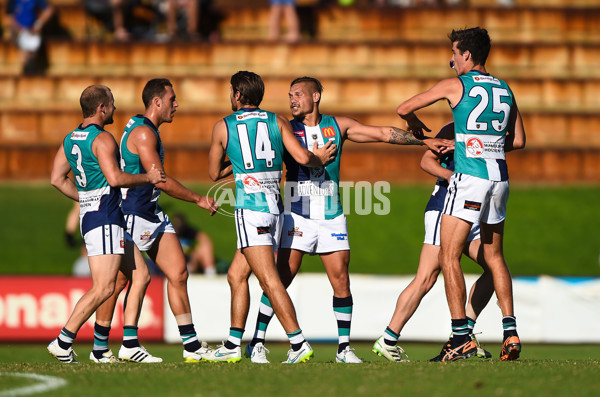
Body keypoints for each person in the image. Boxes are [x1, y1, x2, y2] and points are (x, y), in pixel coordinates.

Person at [239, 76, 452, 364]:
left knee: (341, 280)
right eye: (290, 95)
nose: (292, 100)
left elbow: (381, 133)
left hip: (331, 215)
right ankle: (258, 341)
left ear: (315, 97)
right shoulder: (285, 128)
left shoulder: (338, 126)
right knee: (281, 278)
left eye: (298, 94)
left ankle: (343, 349)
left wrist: (423, 140)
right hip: (297, 214)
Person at [396, 27, 526, 361]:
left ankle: (460, 336)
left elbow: (404, 107)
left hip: (470, 178)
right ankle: (510, 331)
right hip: (501, 179)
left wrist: (413, 124)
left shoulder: (456, 84)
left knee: (448, 255)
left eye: (454, 53)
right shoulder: (505, 87)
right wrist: (484, 143)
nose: (451, 59)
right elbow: (520, 140)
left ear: (466, 54)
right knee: (494, 257)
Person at [205, 70, 337, 364]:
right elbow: (303, 158)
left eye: (231, 91)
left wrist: (237, 160)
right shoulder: (276, 121)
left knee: (269, 280)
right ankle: (232, 344)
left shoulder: (223, 127)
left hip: (250, 210)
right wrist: (321, 159)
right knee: (236, 275)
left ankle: (298, 342)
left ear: (238, 95)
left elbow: (214, 173)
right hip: (276, 209)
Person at [97, 78, 219, 363]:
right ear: (157, 102)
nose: (176, 105)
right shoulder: (143, 134)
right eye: (172, 99)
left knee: (178, 273)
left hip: (151, 212)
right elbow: (160, 180)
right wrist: (198, 198)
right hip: (132, 214)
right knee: (121, 280)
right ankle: (103, 347)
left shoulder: (145, 128)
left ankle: (191, 346)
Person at [47, 85, 165, 363]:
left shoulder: (70, 139)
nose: (115, 108)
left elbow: (56, 178)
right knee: (103, 287)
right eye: (111, 104)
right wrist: (149, 177)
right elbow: (115, 178)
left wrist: (85, 198)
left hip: (95, 216)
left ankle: (117, 347)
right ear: (101, 108)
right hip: (107, 218)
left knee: (142, 275)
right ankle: (63, 340)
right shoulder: (103, 139)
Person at [372, 121, 494, 362]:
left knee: (495, 268)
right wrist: (453, 177)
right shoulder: (454, 126)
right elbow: (426, 161)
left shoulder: (492, 127)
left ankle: (464, 335)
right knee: (426, 277)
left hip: (471, 210)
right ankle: (388, 339)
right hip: (444, 208)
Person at [5, 0, 54, 74]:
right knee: (24, 53)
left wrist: (39, 23)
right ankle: (27, 71)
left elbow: (48, 10)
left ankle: (32, 69)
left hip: (32, 31)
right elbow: (8, 17)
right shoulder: (13, 1)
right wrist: (16, 28)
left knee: (31, 52)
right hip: (18, 32)